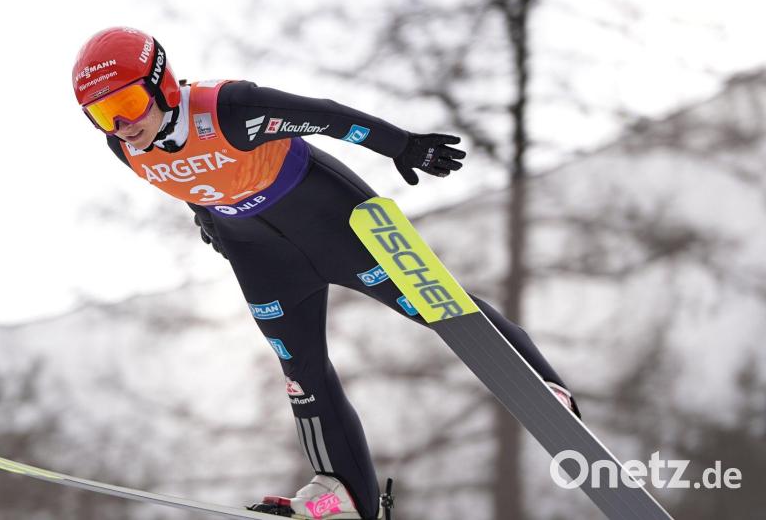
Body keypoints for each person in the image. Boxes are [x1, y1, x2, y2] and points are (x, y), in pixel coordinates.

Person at [72, 27, 579, 520]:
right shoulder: (124, 147)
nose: (119, 125)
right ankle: (343, 489)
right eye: (100, 114)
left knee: (433, 303)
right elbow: (188, 178)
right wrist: (206, 217)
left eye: (126, 105)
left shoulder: (231, 109)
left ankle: (537, 383)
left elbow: (327, 118)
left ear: (160, 82)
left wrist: (401, 145)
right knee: (301, 374)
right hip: (261, 257)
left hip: (330, 222)